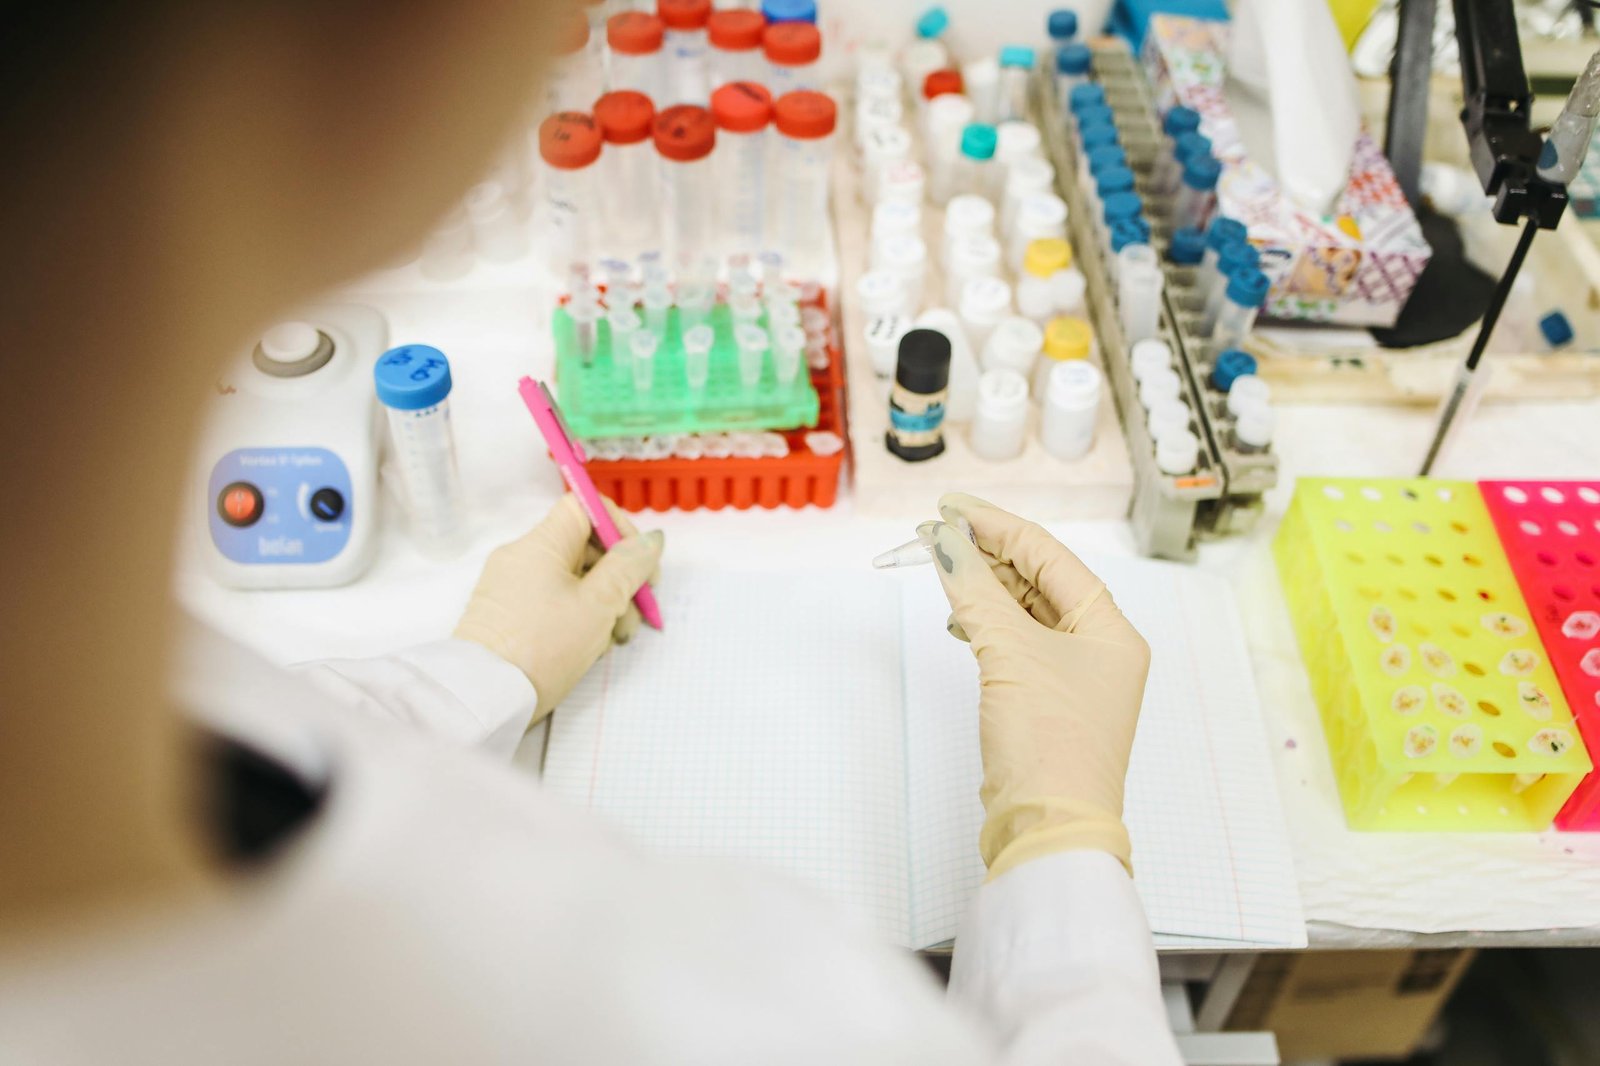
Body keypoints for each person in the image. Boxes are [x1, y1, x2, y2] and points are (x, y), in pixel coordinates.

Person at [0, 5, 1181, 1064]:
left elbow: (256, 730)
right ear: (386, 40)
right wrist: (1064, 848)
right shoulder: (708, 1020)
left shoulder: (107, 696)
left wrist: (466, 674)